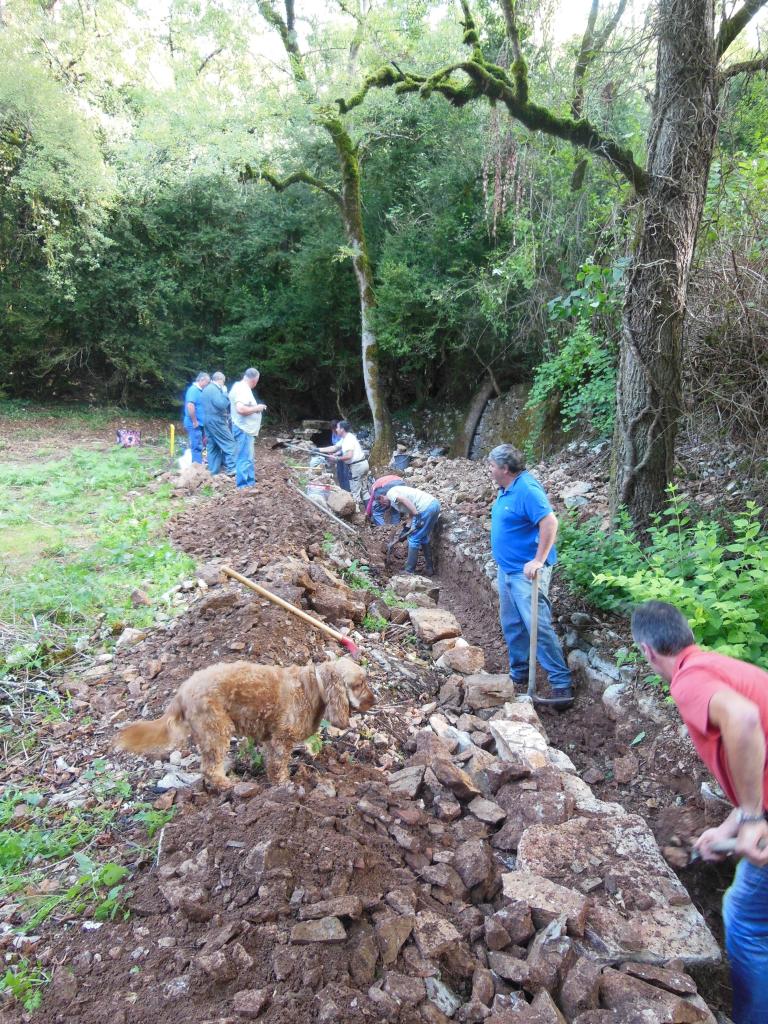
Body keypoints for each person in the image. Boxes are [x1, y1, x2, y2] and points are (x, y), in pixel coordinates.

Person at [631, 601, 768, 1024]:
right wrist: (727, 826)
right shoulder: (714, 665)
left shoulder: (689, 681)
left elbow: (744, 720)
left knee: (745, 921)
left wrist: (750, 818)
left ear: (648, 651)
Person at [488, 443, 573, 708]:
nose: (489, 470)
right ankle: (520, 672)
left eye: (491, 465)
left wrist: (538, 560)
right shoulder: (507, 488)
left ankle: (561, 684)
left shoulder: (527, 489)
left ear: (504, 468)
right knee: (512, 624)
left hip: (526, 574)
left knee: (537, 625)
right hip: (507, 570)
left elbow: (550, 522)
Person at [375, 484, 439, 575]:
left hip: (425, 508)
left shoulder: (391, 494)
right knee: (423, 537)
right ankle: (429, 568)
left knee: (414, 539)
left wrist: (417, 515)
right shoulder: (395, 498)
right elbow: (410, 512)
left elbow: (405, 500)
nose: (384, 505)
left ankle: (409, 571)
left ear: (381, 497)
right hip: (434, 505)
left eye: (382, 503)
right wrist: (406, 529)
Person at [316, 420, 369, 508]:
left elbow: (349, 455)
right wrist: (318, 450)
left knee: (354, 492)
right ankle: (369, 512)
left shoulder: (348, 440)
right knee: (364, 490)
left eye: (337, 427)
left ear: (342, 429)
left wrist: (336, 458)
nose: (336, 429)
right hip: (363, 464)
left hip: (357, 467)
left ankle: (357, 515)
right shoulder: (346, 438)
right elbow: (334, 447)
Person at [229, 368, 267, 489]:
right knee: (244, 458)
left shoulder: (239, 387)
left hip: (245, 430)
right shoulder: (242, 389)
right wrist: (257, 408)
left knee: (248, 458)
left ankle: (250, 484)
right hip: (243, 429)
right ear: (255, 379)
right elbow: (240, 409)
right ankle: (243, 487)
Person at [200, 372, 235, 476]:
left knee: (213, 445)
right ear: (220, 379)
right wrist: (224, 393)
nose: (223, 384)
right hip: (217, 420)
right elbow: (221, 404)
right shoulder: (215, 389)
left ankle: (213, 471)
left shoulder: (206, 389)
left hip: (207, 419)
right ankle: (232, 469)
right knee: (230, 443)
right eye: (223, 382)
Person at [182, 372, 210, 464]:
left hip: (202, 424)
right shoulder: (193, 390)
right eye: (207, 382)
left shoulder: (201, 391)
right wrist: (194, 421)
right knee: (197, 445)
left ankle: (204, 461)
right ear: (201, 380)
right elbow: (190, 406)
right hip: (194, 423)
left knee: (204, 443)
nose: (208, 384)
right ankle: (197, 467)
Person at [330, 420, 351, 492]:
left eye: (335, 428)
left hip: (344, 456)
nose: (334, 430)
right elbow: (335, 446)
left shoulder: (345, 437)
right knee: (339, 473)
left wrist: (336, 454)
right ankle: (342, 489)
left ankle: (347, 491)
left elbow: (344, 448)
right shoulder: (334, 433)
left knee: (345, 474)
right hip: (338, 456)